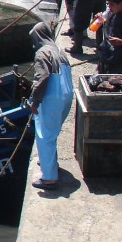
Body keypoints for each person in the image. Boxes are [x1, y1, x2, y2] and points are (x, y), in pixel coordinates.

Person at [28, 22, 74, 190]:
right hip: (67, 94)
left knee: (44, 134)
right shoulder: (59, 50)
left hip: (52, 96)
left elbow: (42, 77)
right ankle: (49, 162)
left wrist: (35, 101)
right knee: (52, 132)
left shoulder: (42, 53)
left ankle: (49, 178)